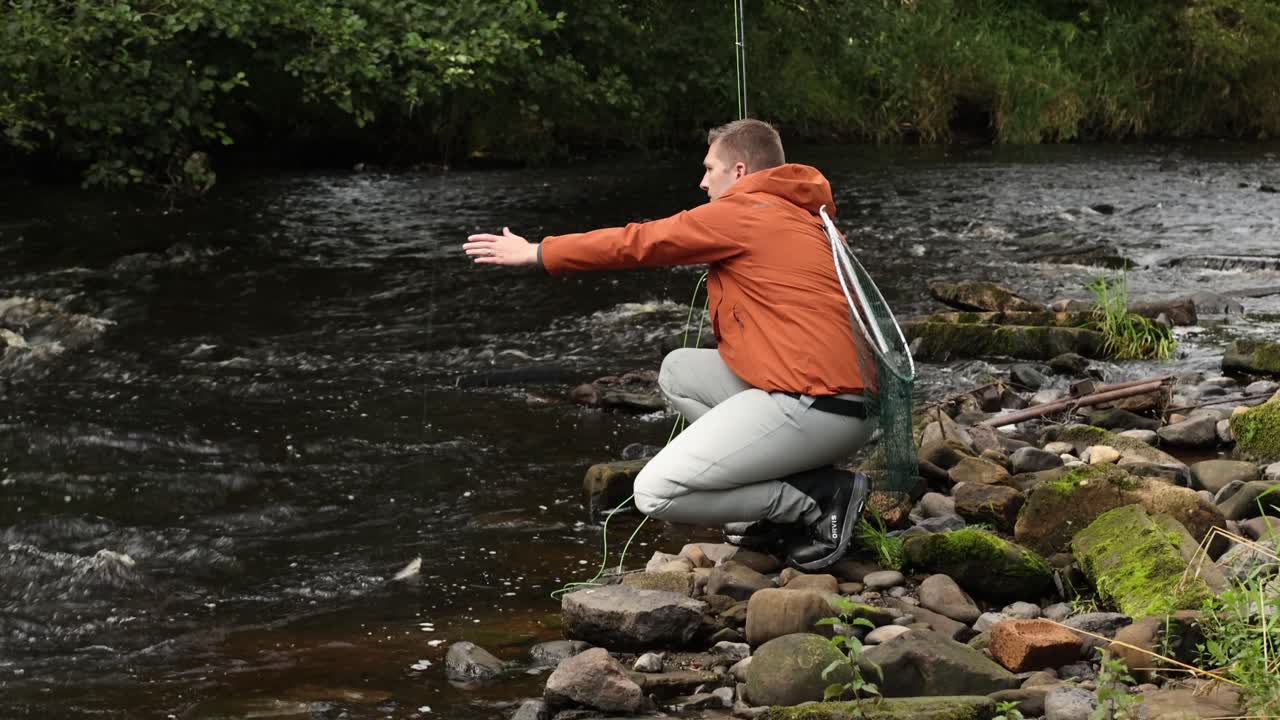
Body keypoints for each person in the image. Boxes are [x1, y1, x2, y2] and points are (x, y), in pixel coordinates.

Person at [463, 119, 875, 570]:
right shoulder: (803, 215)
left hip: (817, 407)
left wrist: (537, 251)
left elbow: (638, 241)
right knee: (678, 370)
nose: (702, 182)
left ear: (739, 171)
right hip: (845, 405)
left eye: (710, 168)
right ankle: (790, 481)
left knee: (654, 492)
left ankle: (813, 499)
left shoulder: (743, 212)